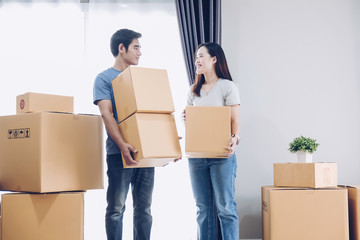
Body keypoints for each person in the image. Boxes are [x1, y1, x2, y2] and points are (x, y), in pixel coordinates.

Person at [93, 29, 154, 240]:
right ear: (122, 48)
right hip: (118, 154)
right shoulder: (104, 78)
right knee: (116, 209)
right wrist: (122, 146)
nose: (140, 52)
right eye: (136, 47)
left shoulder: (142, 78)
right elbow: (106, 114)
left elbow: (154, 114)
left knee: (144, 210)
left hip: (145, 155)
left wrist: (166, 141)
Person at [185, 42, 241, 240]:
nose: (197, 60)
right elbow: (193, 125)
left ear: (214, 59)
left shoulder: (227, 86)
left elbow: (235, 120)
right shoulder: (194, 90)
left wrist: (235, 139)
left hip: (222, 155)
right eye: (196, 57)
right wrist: (187, 118)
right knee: (203, 209)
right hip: (197, 157)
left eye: (201, 56)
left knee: (225, 208)